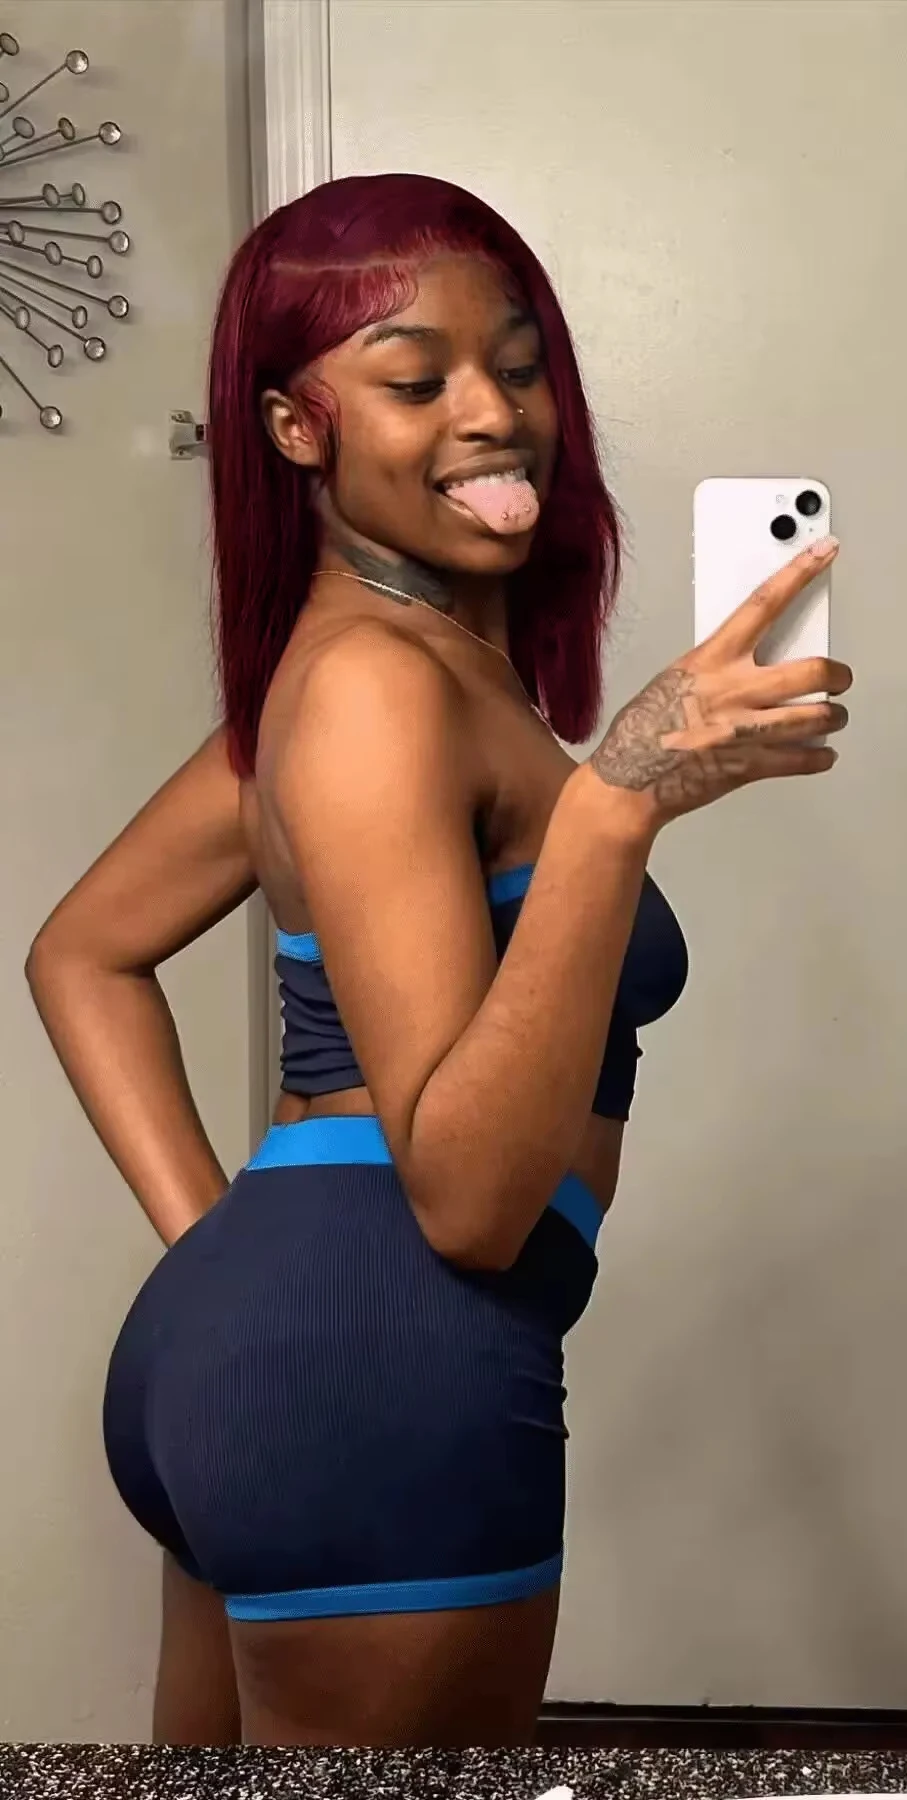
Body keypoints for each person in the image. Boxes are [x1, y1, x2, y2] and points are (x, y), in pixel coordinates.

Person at [25, 173, 848, 1747]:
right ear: (296, 428)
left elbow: (82, 953)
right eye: (416, 381)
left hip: (287, 1358)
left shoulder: (376, 669)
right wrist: (617, 803)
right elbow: (470, 1204)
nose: (494, 414)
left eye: (518, 366)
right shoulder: (372, 691)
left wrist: (224, 1273)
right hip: (378, 1377)